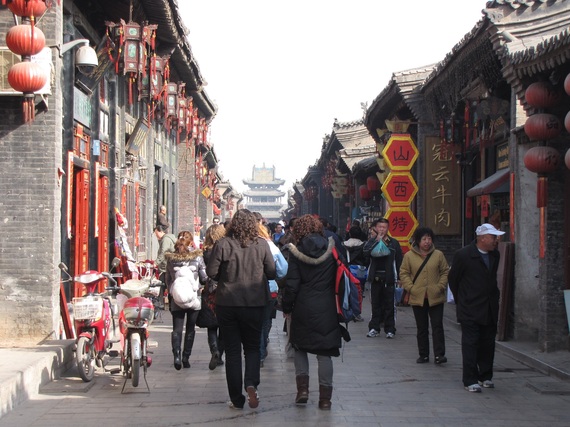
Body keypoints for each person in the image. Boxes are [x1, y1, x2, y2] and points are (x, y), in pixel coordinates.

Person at [206, 209, 276, 410]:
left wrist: (225, 279)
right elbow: (271, 272)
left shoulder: (223, 244)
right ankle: (251, 383)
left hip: (227, 302)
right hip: (254, 302)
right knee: (253, 347)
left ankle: (236, 398)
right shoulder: (262, 244)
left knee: (233, 351)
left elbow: (211, 272)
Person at [281, 214, 341, 410]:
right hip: (326, 306)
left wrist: (287, 307)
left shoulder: (297, 253)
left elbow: (292, 285)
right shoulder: (332, 249)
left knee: (300, 347)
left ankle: (303, 391)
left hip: (303, 306)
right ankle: (325, 400)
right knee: (324, 353)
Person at [448, 223, 505, 393]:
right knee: (471, 343)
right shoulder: (463, 255)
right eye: (493, 237)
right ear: (482, 238)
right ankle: (470, 379)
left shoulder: (495, 255)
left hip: (489, 307)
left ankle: (485, 376)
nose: (496, 240)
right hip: (470, 307)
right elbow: (454, 280)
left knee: (488, 343)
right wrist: (463, 299)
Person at [400, 227, 449, 364]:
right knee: (422, 327)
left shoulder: (438, 255)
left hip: (435, 296)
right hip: (418, 296)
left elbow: (445, 271)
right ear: (418, 241)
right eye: (424, 239)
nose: (427, 242)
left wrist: (440, 286)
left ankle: (439, 354)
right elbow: (404, 273)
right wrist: (411, 288)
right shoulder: (409, 256)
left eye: (429, 239)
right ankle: (424, 354)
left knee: (437, 326)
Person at [165, 232, 208, 370]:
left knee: (177, 329)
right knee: (190, 329)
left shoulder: (171, 259)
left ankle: (176, 355)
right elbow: (204, 277)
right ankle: (185, 357)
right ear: (191, 243)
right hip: (193, 298)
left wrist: (171, 292)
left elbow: (167, 279)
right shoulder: (197, 257)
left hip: (177, 298)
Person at [255, 214, 288, 367]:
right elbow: (283, 269)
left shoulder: (240, 244)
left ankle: (257, 350)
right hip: (270, 288)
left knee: (253, 322)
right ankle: (261, 352)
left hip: (246, 290)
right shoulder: (270, 246)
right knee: (265, 320)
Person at [363, 218, 403, 339]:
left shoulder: (393, 243)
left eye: (384, 227)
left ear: (388, 228)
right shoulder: (371, 241)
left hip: (389, 277)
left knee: (389, 305)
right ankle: (374, 328)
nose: (381, 229)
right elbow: (365, 254)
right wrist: (377, 241)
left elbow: (399, 260)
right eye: (380, 227)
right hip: (375, 277)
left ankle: (390, 329)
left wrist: (400, 277)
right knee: (375, 304)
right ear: (376, 228)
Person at [199, 224, 226, 370]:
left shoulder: (205, 252)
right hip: (223, 289)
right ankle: (220, 354)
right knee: (223, 324)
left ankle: (214, 350)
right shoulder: (225, 249)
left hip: (210, 290)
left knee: (211, 325)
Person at [154, 225, 176, 305]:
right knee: (166, 284)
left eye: (156, 233)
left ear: (160, 231)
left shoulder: (165, 240)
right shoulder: (167, 238)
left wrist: (156, 262)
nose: (156, 236)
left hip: (166, 266)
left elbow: (163, 252)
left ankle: (160, 302)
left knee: (162, 285)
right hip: (167, 265)